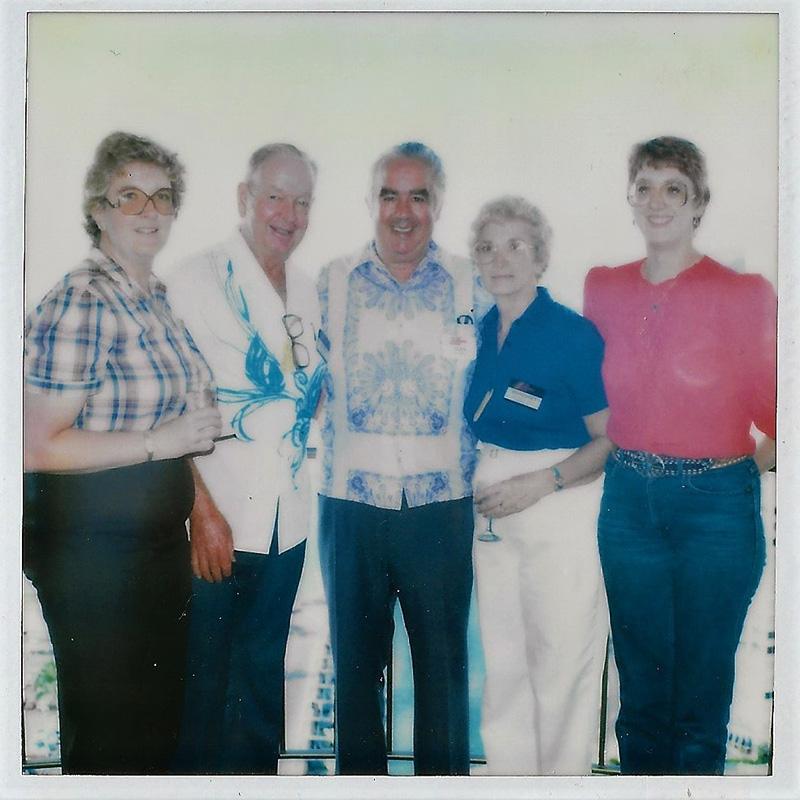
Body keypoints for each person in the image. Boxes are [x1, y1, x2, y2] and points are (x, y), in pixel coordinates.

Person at [23, 131, 222, 774]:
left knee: (151, 732)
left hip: (151, 546)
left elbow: (172, 423)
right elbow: (32, 445)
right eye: (128, 195)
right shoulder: (83, 298)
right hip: (90, 550)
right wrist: (158, 443)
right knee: (111, 738)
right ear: (98, 210)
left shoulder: (153, 296)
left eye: (161, 197)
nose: (148, 210)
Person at [583, 136, 777, 775]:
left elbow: (780, 415)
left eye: (675, 188)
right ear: (629, 199)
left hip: (716, 513)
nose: (657, 201)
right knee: (639, 696)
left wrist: (730, 473)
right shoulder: (603, 288)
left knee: (698, 699)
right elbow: (583, 393)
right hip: (627, 504)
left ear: (700, 205)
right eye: (645, 186)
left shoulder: (742, 293)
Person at [316, 141, 488, 775]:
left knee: (443, 680)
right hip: (350, 507)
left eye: (419, 195)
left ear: (437, 204)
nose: (403, 210)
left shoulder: (476, 284)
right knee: (354, 685)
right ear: (371, 202)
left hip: (440, 510)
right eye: (390, 194)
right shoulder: (328, 282)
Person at [167, 143, 323, 774]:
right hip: (216, 525)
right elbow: (165, 408)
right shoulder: (193, 279)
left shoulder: (309, 293)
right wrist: (199, 509)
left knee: (260, 701)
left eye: (303, 201)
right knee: (200, 703)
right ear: (244, 198)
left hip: (288, 529)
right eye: (275, 196)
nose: (288, 213)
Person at [463, 196, 611, 775]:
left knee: (562, 667)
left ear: (540, 258)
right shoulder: (476, 333)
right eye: (487, 246)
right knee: (504, 668)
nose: (500, 259)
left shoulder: (572, 334)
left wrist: (543, 483)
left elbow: (609, 439)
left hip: (561, 505)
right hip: (492, 514)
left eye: (515, 245)